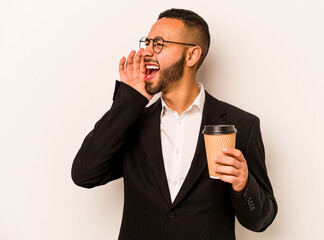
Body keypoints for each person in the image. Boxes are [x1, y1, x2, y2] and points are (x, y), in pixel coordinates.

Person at [71, 8, 277, 240]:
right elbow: (84, 174)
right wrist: (127, 101)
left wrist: (244, 184)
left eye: (158, 45)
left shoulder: (241, 125)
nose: (146, 53)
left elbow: (261, 221)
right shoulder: (133, 121)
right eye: (146, 43)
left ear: (191, 55)